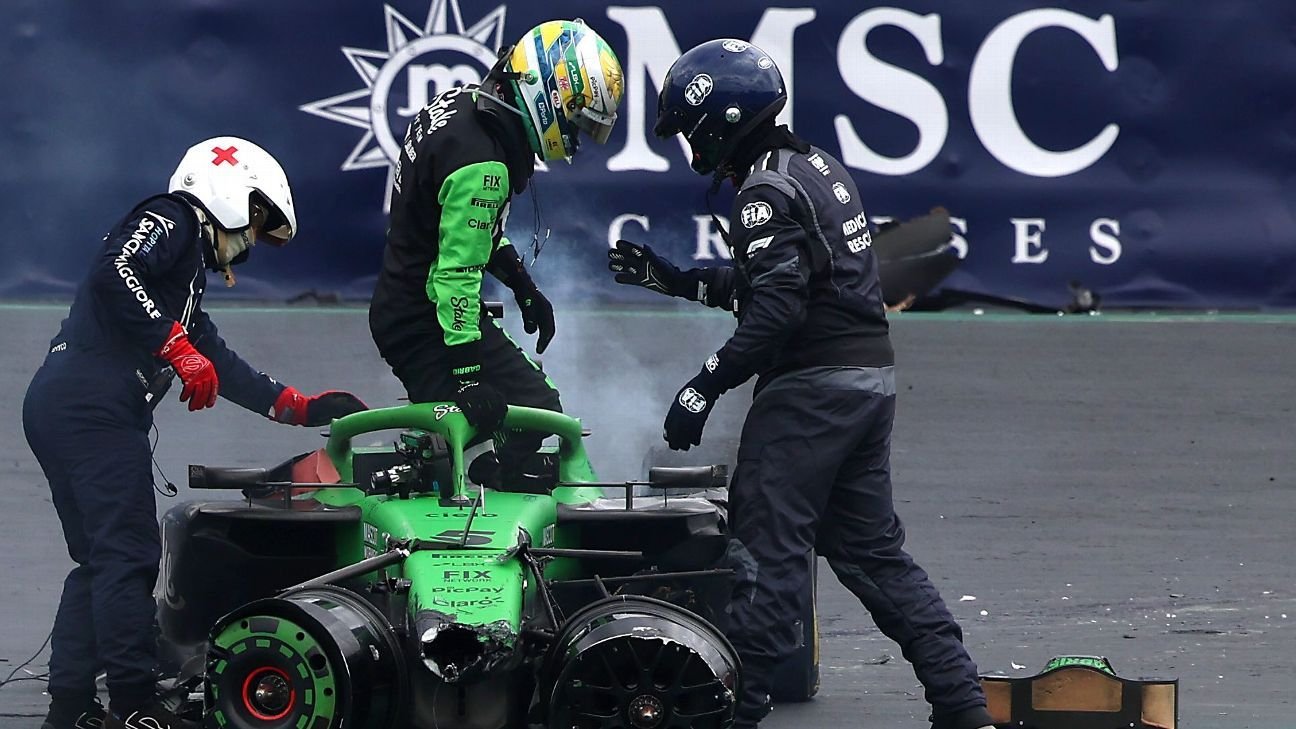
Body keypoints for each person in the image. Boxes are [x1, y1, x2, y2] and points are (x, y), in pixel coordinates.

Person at [606, 40, 995, 729]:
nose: (689, 144)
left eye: (689, 128)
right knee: (875, 557)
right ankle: (963, 704)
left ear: (721, 121)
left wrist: (703, 386)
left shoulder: (763, 190)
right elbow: (782, 286)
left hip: (811, 396)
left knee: (766, 553)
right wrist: (672, 278)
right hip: (866, 384)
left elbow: (778, 311)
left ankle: (739, 712)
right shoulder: (814, 166)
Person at [23, 137, 367, 729]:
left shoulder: (183, 282)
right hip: (91, 409)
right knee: (128, 557)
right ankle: (135, 704)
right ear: (229, 192)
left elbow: (215, 356)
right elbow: (114, 271)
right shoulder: (171, 217)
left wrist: (295, 406)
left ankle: (70, 707)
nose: (251, 241)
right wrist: (174, 345)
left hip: (69, 405)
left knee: (101, 560)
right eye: (255, 222)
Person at [369, 19, 623, 475]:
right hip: (424, 320)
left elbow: (461, 230)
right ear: (550, 96)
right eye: (576, 120)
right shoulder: (484, 165)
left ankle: (452, 461)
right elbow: (456, 273)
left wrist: (523, 286)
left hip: (409, 305)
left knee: (514, 414)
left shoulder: (462, 103)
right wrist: (468, 377)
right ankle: (443, 473)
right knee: (536, 411)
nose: (575, 136)